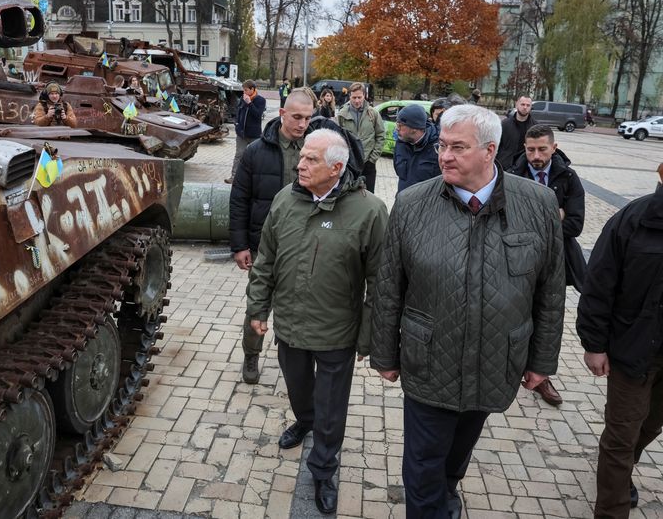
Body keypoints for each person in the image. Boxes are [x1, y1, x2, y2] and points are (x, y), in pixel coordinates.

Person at [370, 104, 565, 519]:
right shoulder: (411, 204)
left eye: (458, 147)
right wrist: (384, 354)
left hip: (495, 360)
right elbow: (389, 287)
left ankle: (448, 490)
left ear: (490, 151)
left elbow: (550, 291)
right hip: (428, 362)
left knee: (457, 453)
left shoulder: (538, 203)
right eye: (442, 145)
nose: (444, 155)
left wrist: (542, 360)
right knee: (422, 466)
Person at [247, 128, 387, 515]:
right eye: (302, 156)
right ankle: (303, 420)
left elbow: (381, 281)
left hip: (336, 333)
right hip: (290, 327)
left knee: (331, 408)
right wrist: (258, 309)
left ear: (337, 168)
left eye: (311, 159)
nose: (300, 164)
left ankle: (324, 468)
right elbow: (266, 261)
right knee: (299, 392)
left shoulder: (370, 211)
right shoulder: (284, 201)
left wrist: (368, 337)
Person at [229, 91, 365, 385]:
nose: (303, 124)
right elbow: (239, 198)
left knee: (300, 300)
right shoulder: (256, 151)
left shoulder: (317, 147)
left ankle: (297, 353)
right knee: (259, 300)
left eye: (308, 117)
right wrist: (240, 245)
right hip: (264, 242)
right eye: (297, 117)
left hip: (308, 241)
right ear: (282, 114)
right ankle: (251, 353)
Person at [576, 164, 663, 518]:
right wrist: (594, 344)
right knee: (621, 435)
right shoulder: (634, 219)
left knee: (651, 424)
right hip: (633, 350)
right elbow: (598, 283)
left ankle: (622, 470)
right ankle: (611, 509)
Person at [507, 124, 585, 406]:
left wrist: (535, 225)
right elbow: (506, 222)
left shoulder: (569, 177)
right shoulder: (512, 174)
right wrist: (554, 216)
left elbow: (575, 224)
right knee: (516, 312)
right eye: (530, 149)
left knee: (547, 318)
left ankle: (541, 374)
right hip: (517, 260)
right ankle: (510, 368)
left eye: (542, 149)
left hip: (556, 263)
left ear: (554, 147)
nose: (536, 156)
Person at [335, 82, 385, 192]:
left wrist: (373, 159)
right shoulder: (342, 115)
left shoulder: (373, 114)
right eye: (354, 97)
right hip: (350, 164)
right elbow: (338, 138)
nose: (357, 101)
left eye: (359, 97)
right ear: (350, 96)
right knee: (348, 195)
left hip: (368, 163)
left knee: (368, 195)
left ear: (364, 96)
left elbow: (381, 136)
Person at [226, 79, 266, 185]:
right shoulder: (242, 99)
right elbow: (238, 112)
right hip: (241, 134)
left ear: (252, 89)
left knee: (256, 157)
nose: (244, 93)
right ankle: (234, 177)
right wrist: (237, 125)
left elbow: (257, 115)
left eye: (246, 90)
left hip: (254, 134)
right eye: (243, 90)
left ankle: (255, 179)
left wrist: (249, 103)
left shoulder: (260, 100)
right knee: (239, 155)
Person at [393, 104, 440, 192]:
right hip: (403, 200)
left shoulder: (438, 148)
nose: (397, 129)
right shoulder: (401, 142)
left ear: (414, 128)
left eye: (400, 125)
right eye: (397, 124)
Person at [497, 95, 536, 168]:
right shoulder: (504, 124)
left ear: (531, 107)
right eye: (522, 104)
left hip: (525, 168)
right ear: (517, 104)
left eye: (528, 105)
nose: (525, 107)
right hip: (504, 166)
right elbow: (497, 146)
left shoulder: (535, 127)